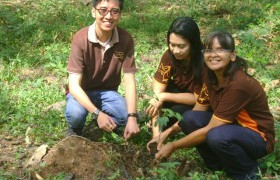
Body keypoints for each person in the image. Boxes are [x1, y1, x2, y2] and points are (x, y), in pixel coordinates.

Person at [147, 31, 275, 179]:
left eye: (220, 50)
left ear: (232, 55)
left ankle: (247, 173)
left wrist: (173, 146)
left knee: (216, 135)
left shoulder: (238, 84)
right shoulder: (210, 76)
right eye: (208, 50)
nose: (213, 54)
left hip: (258, 138)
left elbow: (210, 129)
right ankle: (218, 166)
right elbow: (197, 111)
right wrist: (165, 134)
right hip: (232, 127)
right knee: (190, 118)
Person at [65, 0, 140, 140]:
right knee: (75, 114)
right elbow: (73, 85)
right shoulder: (81, 38)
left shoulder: (125, 39)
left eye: (114, 11)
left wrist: (132, 117)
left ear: (120, 14)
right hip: (82, 91)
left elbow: (129, 79)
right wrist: (97, 113)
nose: (109, 16)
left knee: (126, 117)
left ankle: (104, 123)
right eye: (103, 10)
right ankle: (75, 131)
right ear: (93, 11)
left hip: (108, 92)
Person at [145, 17, 204, 138]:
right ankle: (156, 127)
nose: (176, 51)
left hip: (200, 105)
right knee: (155, 100)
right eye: (172, 45)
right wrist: (156, 136)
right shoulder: (169, 55)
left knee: (178, 110)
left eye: (181, 46)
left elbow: (199, 100)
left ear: (193, 44)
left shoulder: (205, 62)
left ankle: (176, 129)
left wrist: (164, 96)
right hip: (178, 95)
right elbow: (157, 90)